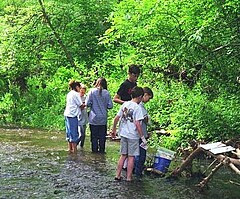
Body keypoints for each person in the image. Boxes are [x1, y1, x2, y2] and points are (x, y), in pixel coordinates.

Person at [111, 86, 147, 181]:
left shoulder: (125, 104)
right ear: (139, 97)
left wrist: (114, 130)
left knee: (123, 155)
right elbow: (137, 124)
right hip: (133, 136)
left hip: (123, 134)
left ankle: (117, 175)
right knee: (131, 157)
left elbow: (116, 118)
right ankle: (129, 177)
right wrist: (142, 137)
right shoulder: (138, 108)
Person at [86, 77, 113, 153]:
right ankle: (102, 153)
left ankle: (94, 154)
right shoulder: (106, 93)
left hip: (93, 118)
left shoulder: (91, 91)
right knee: (102, 138)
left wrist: (93, 104)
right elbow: (110, 106)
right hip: (103, 119)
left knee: (94, 137)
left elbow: (87, 103)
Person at [134, 87, 153, 177]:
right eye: (149, 98)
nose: (148, 100)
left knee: (136, 154)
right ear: (145, 95)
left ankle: (135, 171)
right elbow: (144, 119)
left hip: (138, 134)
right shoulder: (140, 106)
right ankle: (138, 174)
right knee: (141, 156)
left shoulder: (136, 105)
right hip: (140, 136)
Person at [64, 80, 83, 153]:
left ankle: (70, 149)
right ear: (76, 87)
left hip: (67, 114)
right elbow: (80, 105)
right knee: (74, 133)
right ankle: (75, 151)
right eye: (79, 87)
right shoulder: (76, 94)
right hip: (72, 115)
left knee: (69, 133)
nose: (80, 89)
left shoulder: (69, 94)